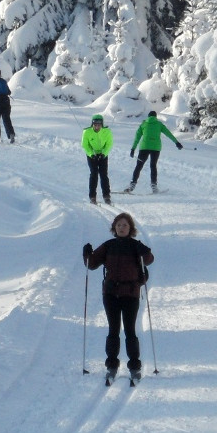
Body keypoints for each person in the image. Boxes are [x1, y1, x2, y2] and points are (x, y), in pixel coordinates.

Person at [83, 212, 154, 383]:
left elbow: (149, 260)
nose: (122, 228)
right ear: (114, 228)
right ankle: (111, 366)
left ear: (130, 228)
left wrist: (145, 251)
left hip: (130, 293)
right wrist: (87, 254)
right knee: (113, 330)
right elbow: (91, 264)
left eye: (125, 225)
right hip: (111, 294)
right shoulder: (108, 246)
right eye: (119, 225)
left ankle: (134, 367)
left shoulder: (135, 246)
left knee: (130, 330)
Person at [124, 111, 182, 193]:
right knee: (153, 166)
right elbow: (168, 134)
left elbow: (137, 137)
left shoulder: (143, 124)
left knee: (139, 166)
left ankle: (132, 185)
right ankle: (154, 186)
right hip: (155, 148)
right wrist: (176, 142)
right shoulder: (159, 124)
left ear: (148, 116)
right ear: (155, 117)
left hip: (144, 148)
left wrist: (133, 149)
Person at [82, 114, 113, 204]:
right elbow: (85, 145)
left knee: (104, 174)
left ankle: (106, 195)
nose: (97, 127)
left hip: (103, 154)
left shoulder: (107, 132)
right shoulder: (87, 132)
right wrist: (92, 154)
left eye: (99, 125)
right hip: (92, 155)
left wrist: (104, 153)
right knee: (94, 174)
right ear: (92, 124)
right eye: (95, 124)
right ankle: (92, 196)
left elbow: (109, 144)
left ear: (102, 124)